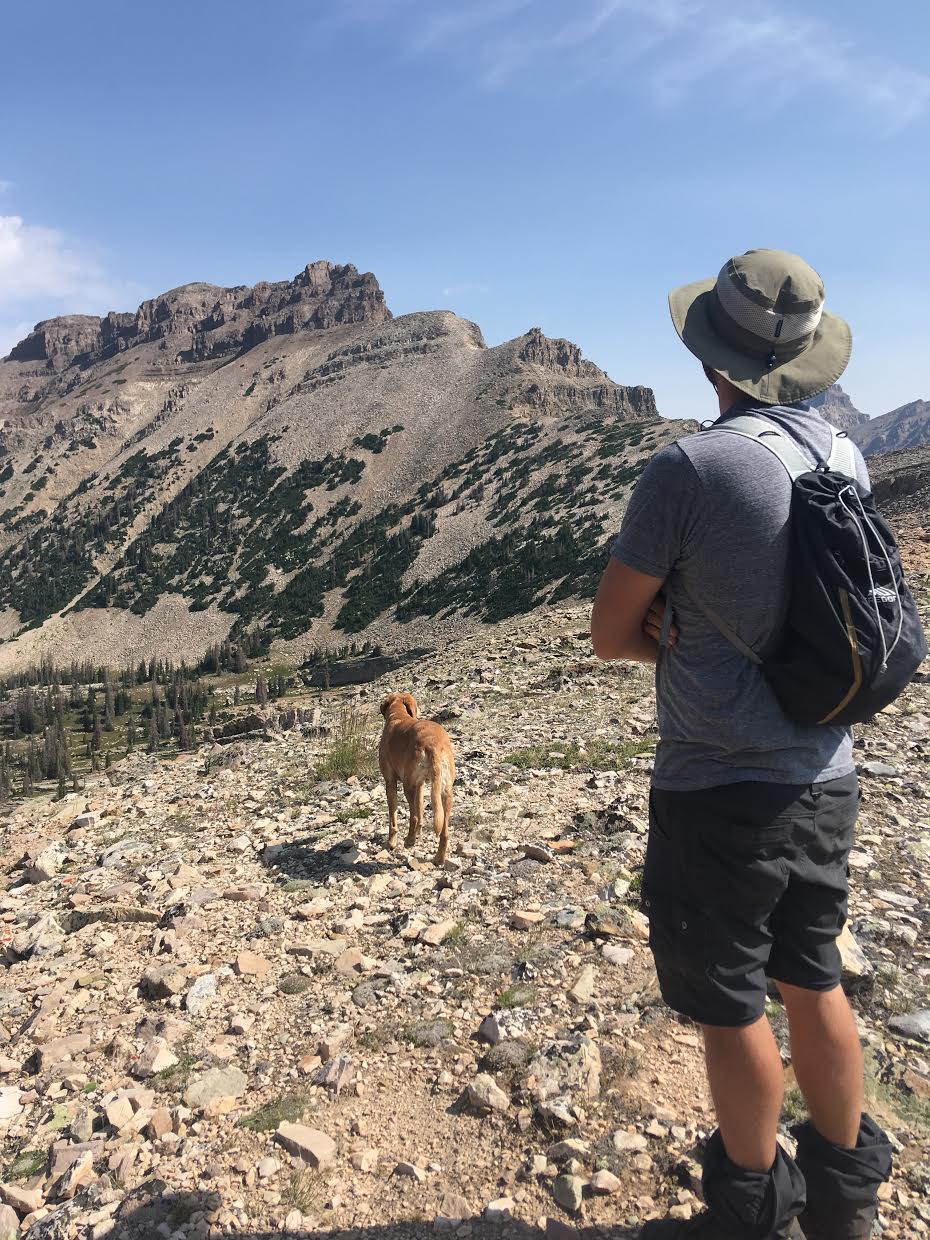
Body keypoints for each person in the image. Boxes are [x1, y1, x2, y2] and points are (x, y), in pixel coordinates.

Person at [590, 249, 893, 1239]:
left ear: (714, 359)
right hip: (828, 773)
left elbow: (608, 632)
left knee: (732, 1004)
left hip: (719, 787)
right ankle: (846, 1202)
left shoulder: (690, 468)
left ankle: (751, 1207)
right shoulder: (842, 456)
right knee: (815, 978)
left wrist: (670, 631)